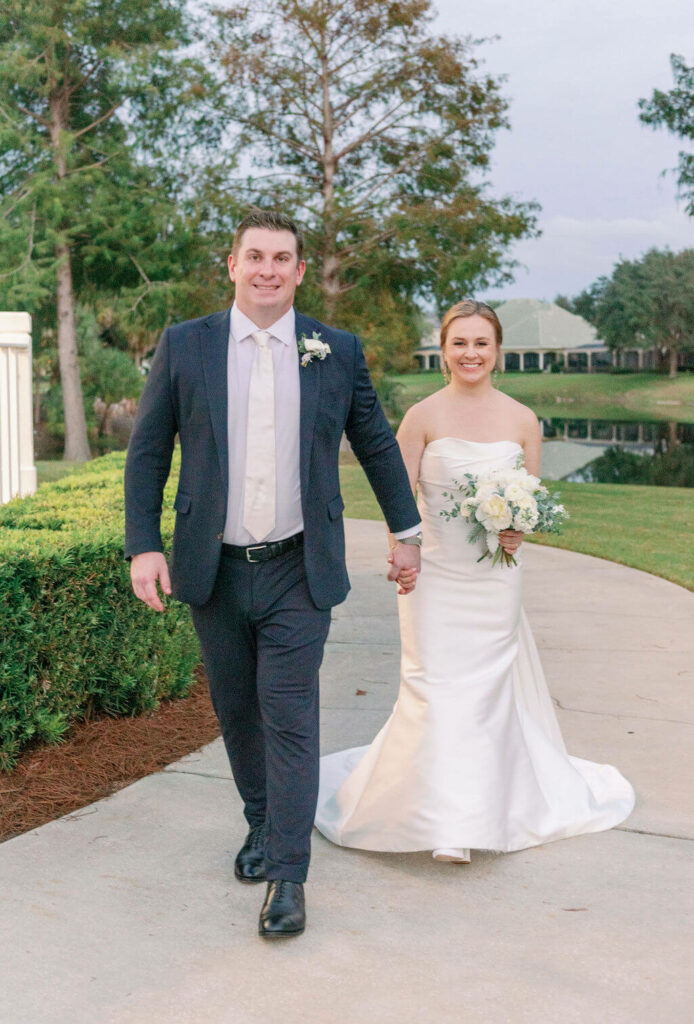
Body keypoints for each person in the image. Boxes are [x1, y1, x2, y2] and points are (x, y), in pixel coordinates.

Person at [124, 210, 423, 938]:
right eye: (254, 256)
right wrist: (144, 545)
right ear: (231, 265)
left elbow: (378, 445)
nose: (267, 269)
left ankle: (288, 875)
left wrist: (407, 531)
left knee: (289, 716)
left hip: (298, 565)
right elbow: (148, 451)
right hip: (213, 568)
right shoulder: (185, 345)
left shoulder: (335, 350)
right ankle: (262, 824)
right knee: (237, 713)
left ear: (296, 270)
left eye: (281, 258)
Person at [315, 299, 635, 861]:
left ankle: (473, 817)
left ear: (497, 352)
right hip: (433, 577)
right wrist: (401, 553)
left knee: (485, 693)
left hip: (494, 581)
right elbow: (397, 499)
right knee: (433, 687)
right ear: (444, 350)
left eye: (481, 343)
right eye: (460, 343)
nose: (471, 354)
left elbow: (528, 504)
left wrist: (517, 533)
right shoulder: (422, 417)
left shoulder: (522, 420)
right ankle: (438, 817)